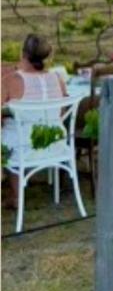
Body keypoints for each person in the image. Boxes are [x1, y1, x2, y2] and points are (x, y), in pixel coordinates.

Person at [1, 35, 69, 207]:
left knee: (8, 134)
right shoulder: (58, 78)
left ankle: (16, 196)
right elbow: (61, 113)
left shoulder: (12, 80)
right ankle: (15, 194)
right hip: (56, 143)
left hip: (23, 147)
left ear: (23, 53)